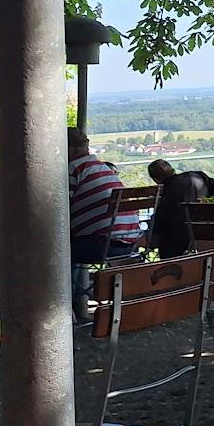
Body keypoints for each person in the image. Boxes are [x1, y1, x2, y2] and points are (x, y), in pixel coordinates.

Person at [68, 128, 141, 319]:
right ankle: (75, 309)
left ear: (69, 149)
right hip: (129, 245)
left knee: (53, 254)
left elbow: (57, 211)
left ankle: (65, 310)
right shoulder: (103, 168)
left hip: (100, 246)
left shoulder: (73, 169)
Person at [146, 159, 214, 260]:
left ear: (156, 179)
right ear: (172, 169)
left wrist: (151, 242)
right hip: (205, 236)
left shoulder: (167, 193)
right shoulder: (197, 176)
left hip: (176, 245)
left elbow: (160, 223)